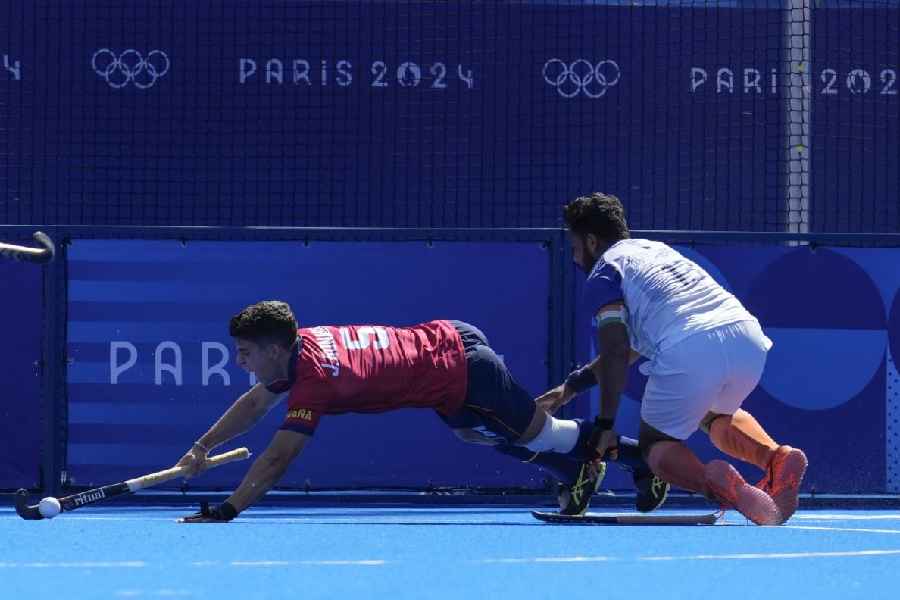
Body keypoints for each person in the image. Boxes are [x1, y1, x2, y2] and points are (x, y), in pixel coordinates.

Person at [175, 301, 667, 522]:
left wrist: (228, 508)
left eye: (245, 352)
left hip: (461, 369)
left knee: (544, 434)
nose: (239, 362)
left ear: (274, 350)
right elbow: (255, 403)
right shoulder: (296, 346)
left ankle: (641, 460)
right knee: (474, 434)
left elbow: (277, 458)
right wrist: (202, 446)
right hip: (446, 354)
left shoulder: (314, 379)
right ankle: (573, 471)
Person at [536, 192, 808, 526]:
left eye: (576, 247)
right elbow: (633, 347)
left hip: (692, 346)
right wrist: (569, 389)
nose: (576, 259)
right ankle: (777, 457)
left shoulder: (604, 273)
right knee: (714, 415)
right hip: (746, 338)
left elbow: (616, 351)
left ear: (592, 241)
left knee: (656, 445)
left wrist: (605, 426)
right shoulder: (656, 251)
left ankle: (721, 485)